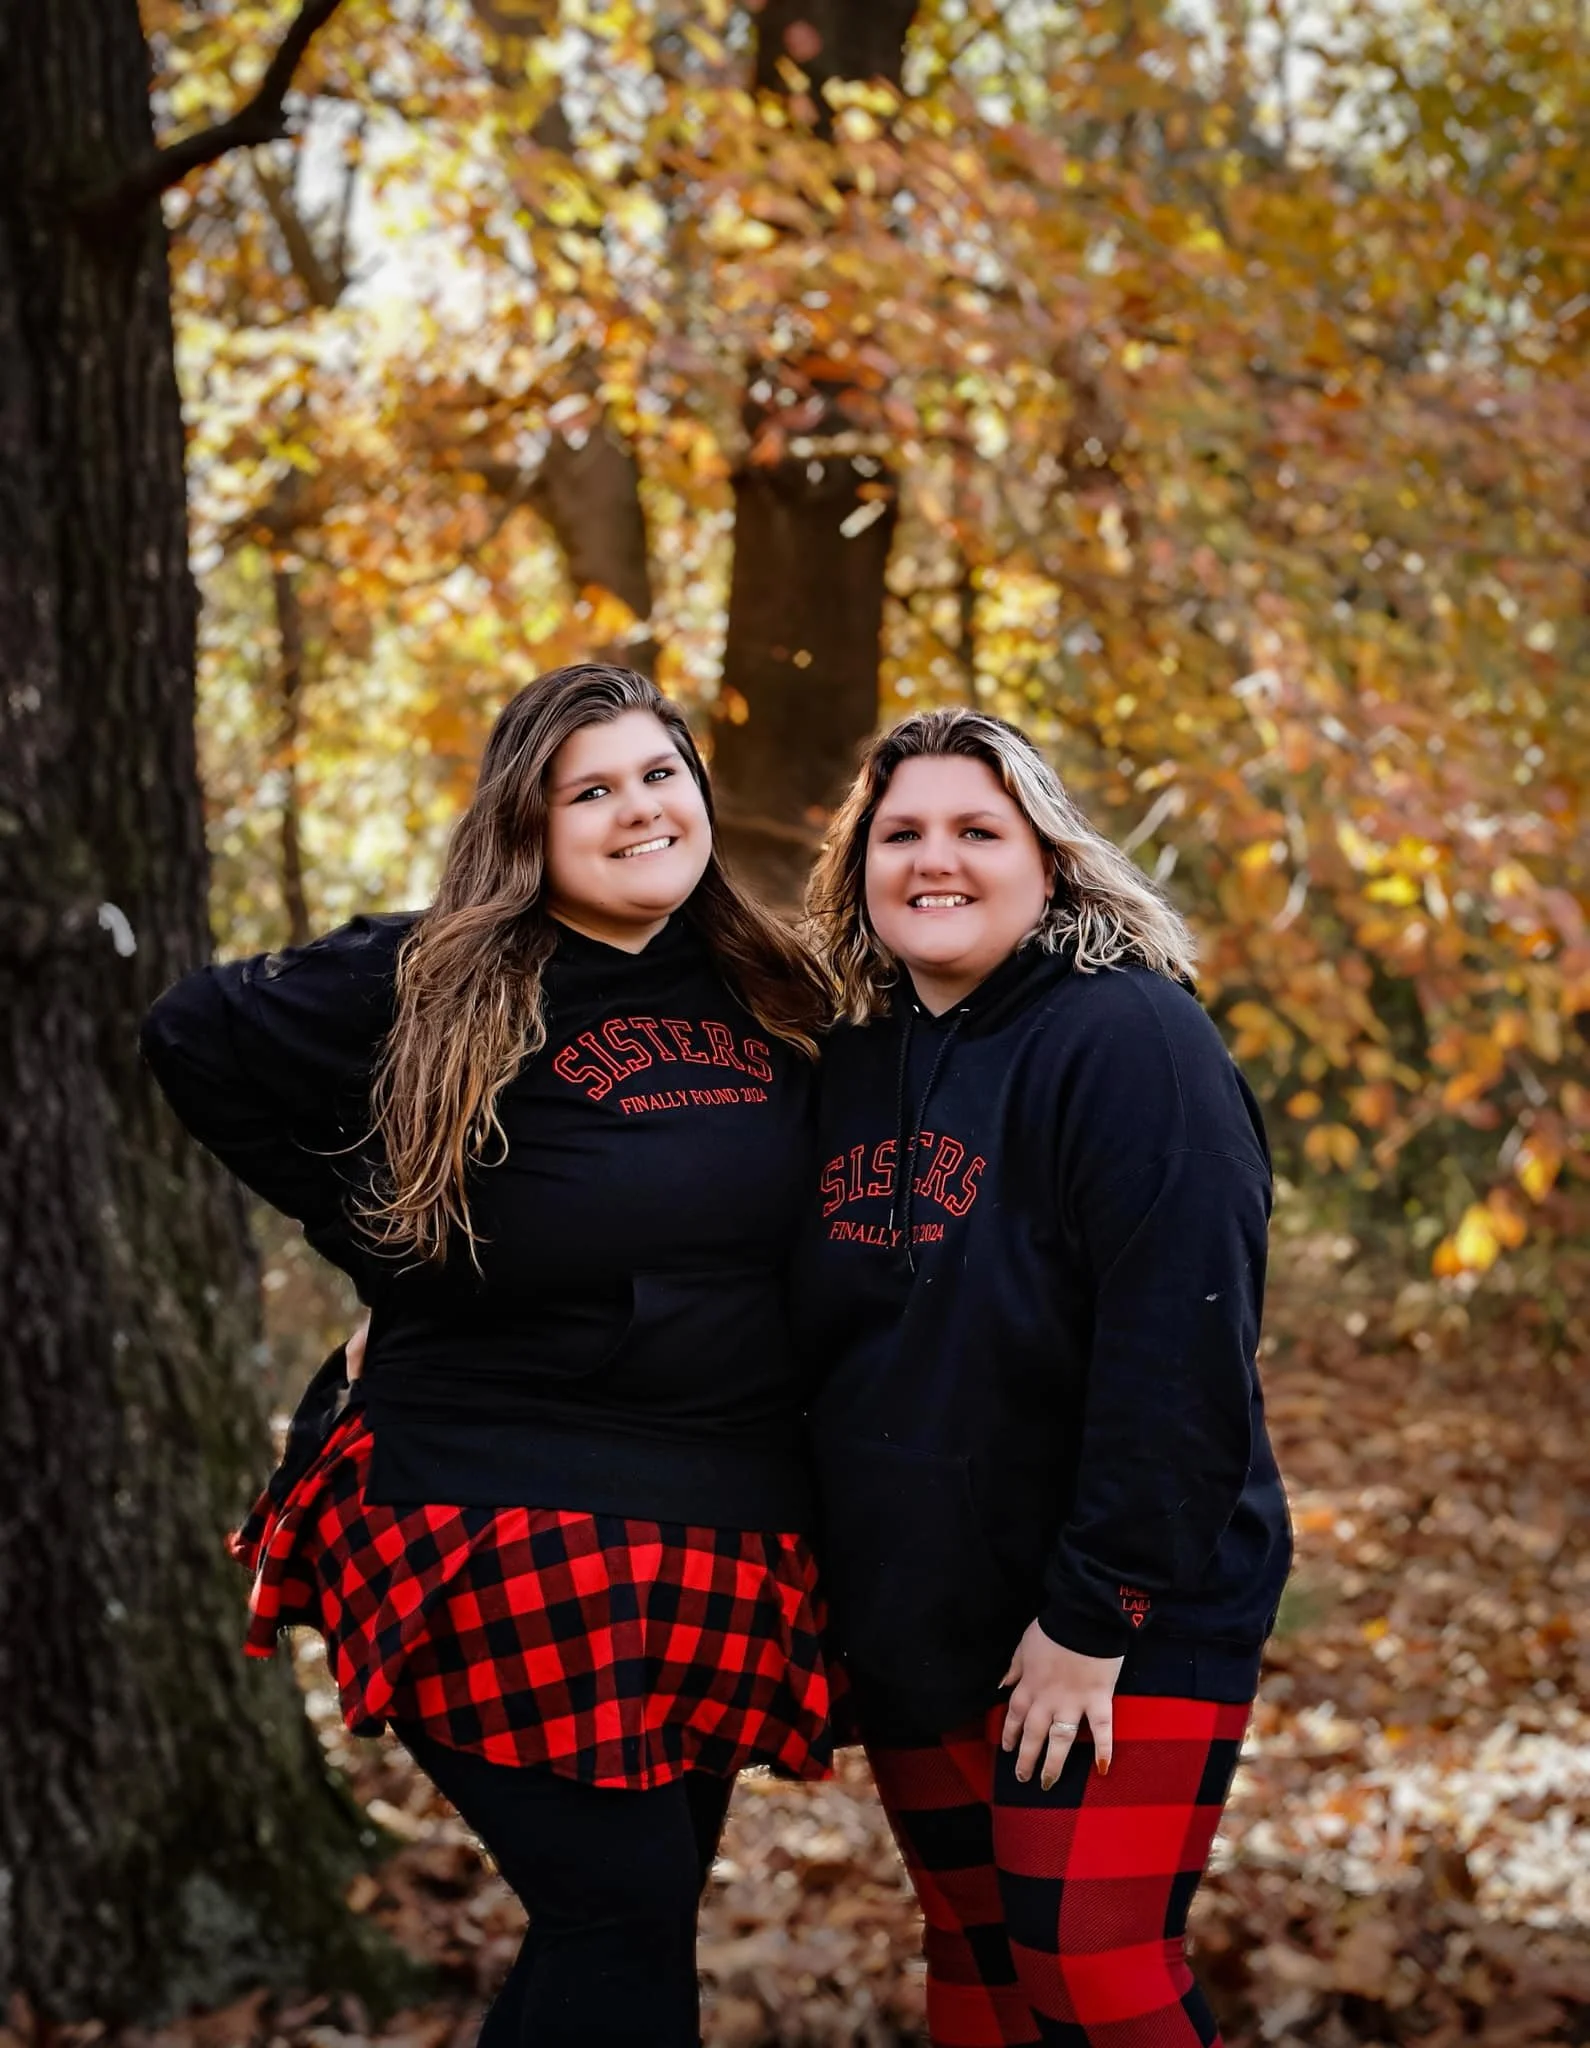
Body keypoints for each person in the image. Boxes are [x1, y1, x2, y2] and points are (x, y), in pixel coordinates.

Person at [140, 663, 840, 2048]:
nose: (638, 809)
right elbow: (191, 1033)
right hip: (498, 1502)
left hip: (718, 1516)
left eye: (659, 775)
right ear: (529, 827)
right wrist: (378, 1242)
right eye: (591, 791)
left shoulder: (775, 983)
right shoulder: (443, 970)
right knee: (617, 1914)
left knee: (636, 1923)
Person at [799, 708, 1291, 2048]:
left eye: (975, 829)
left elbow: (1180, 1350)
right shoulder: (844, 1064)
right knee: (975, 1965)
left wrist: (1092, 1622)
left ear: (1050, 860)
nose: (932, 858)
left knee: (1090, 1965)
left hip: (1112, 1617)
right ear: (859, 871)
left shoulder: (1131, 1041)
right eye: (899, 833)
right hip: (921, 1610)